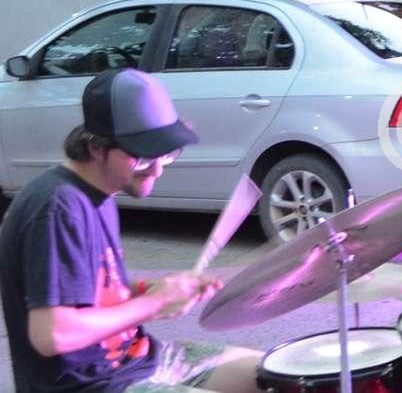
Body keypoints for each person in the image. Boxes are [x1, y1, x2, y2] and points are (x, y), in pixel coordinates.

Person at [0, 68, 263, 392]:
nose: (157, 169)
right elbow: (54, 334)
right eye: (142, 157)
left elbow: (92, 293)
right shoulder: (58, 209)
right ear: (97, 148)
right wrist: (155, 304)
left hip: (138, 361)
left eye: (165, 154)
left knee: (272, 374)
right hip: (88, 386)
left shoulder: (100, 192)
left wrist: (153, 289)